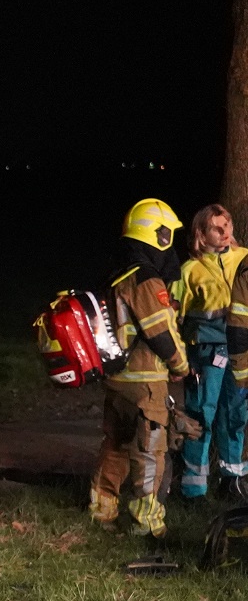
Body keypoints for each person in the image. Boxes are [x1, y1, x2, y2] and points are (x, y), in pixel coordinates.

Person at [91, 199, 191, 536]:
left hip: (116, 378)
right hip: (145, 381)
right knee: (150, 451)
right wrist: (180, 365)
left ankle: (102, 509)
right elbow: (160, 331)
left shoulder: (115, 274)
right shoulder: (146, 279)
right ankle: (146, 522)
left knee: (115, 444)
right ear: (158, 235)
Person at [173, 205, 248, 499]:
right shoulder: (188, 271)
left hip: (240, 350)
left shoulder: (243, 258)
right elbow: (173, 320)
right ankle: (194, 489)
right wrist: (181, 358)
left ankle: (233, 481)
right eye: (217, 227)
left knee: (236, 413)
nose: (225, 231)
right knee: (200, 415)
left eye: (227, 224)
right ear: (201, 235)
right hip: (206, 352)